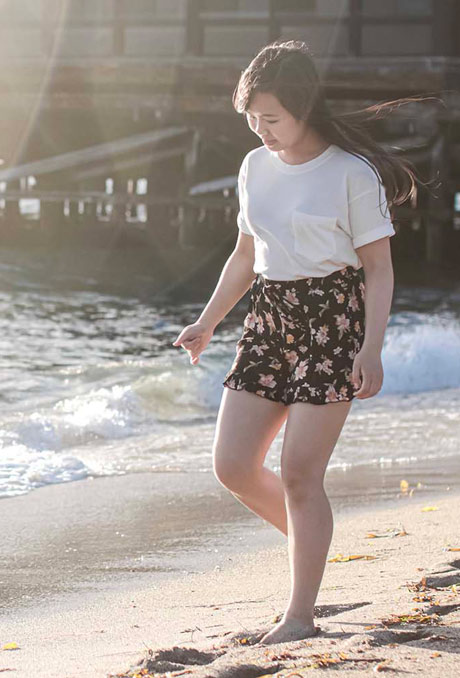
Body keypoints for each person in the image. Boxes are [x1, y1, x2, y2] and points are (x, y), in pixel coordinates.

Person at [171, 40, 439, 645]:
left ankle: (300, 615)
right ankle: (310, 551)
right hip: (270, 319)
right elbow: (246, 253)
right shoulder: (253, 166)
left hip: (334, 323)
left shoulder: (351, 173)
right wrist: (209, 320)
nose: (260, 130)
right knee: (234, 465)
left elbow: (379, 270)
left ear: (301, 107)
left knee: (299, 474)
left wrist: (371, 349)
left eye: (271, 118)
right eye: (250, 119)